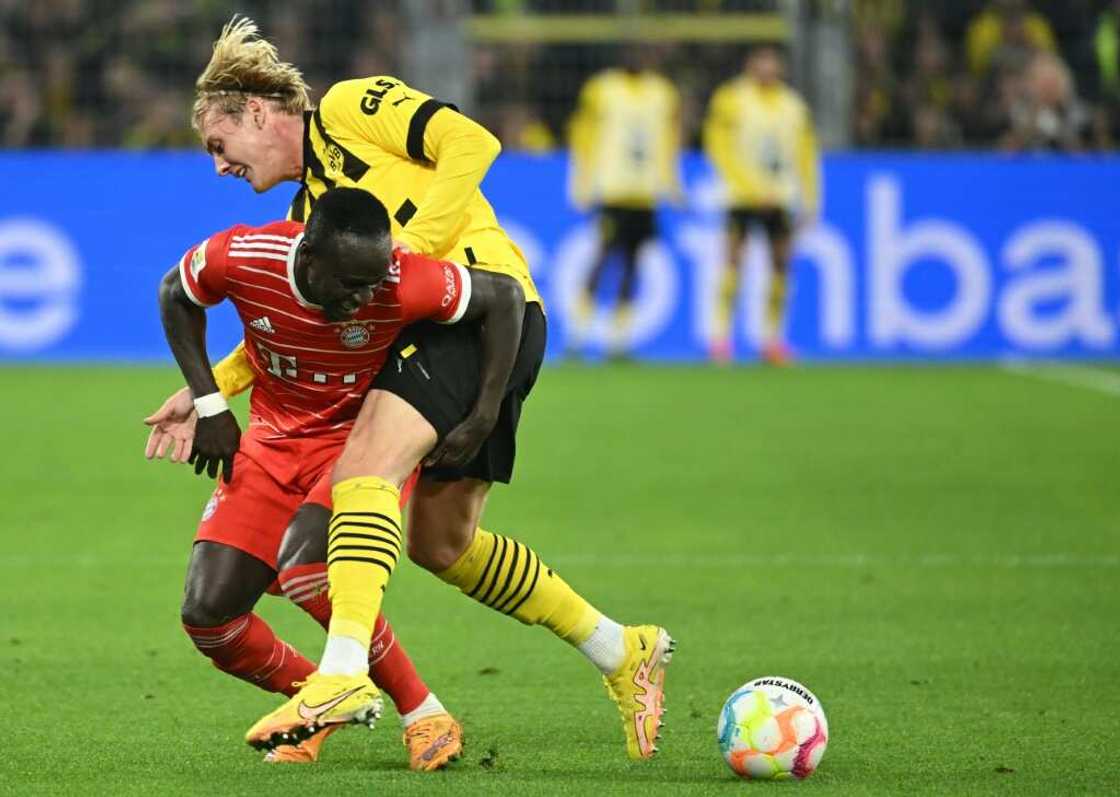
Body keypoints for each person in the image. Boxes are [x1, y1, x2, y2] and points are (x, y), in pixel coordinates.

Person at [166, 16, 673, 761]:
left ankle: (342, 673)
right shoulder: (309, 219)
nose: (219, 166)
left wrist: (412, 248)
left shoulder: (349, 108)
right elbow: (284, 335)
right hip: (447, 332)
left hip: (481, 309)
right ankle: (622, 648)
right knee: (444, 544)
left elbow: (473, 143)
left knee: (362, 469)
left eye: (220, 143)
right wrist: (209, 389)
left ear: (260, 112)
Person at [153, 189, 479, 769]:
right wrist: (210, 403)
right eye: (350, 283)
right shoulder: (244, 256)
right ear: (308, 256)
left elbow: (504, 300)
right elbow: (175, 292)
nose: (364, 297)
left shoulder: (400, 277)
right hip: (271, 443)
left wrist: (484, 414)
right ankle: (319, 704)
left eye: (372, 283)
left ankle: (424, 713)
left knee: (307, 572)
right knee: (209, 617)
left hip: (362, 443)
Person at [702, 45, 820, 365]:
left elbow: (806, 154)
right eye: (762, 61)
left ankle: (772, 339)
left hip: (780, 196)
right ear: (750, 64)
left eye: (773, 62)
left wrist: (810, 198)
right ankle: (720, 338)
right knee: (733, 263)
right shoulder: (731, 98)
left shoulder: (793, 105)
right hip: (742, 197)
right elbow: (718, 148)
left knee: (781, 265)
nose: (768, 67)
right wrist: (750, 188)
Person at [566, 49, 682, 358]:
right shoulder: (601, 88)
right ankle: (578, 332)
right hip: (613, 189)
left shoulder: (662, 92)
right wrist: (581, 182)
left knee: (633, 263)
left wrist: (672, 183)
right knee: (603, 257)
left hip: (645, 192)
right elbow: (582, 134)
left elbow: (670, 139)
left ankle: (619, 338)